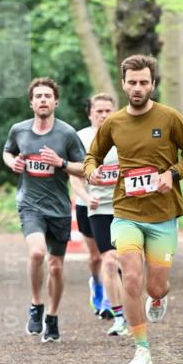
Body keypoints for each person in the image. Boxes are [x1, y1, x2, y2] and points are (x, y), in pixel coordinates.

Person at [84, 54, 183, 364]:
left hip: (163, 214)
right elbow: (92, 155)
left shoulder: (169, 118)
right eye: (132, 82)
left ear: (153, 84)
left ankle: (159, 297)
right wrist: (92, 170)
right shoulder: (114, 122)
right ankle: (141, 350)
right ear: (123, 84)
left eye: (143, 82)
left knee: (156, 286)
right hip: (125, 211)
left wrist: (172, 174)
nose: (137, 88)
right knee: (132, 277)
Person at [3, 77, 85, 343]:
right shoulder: (19, 130)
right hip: (30, 205)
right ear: (31, 103)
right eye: (38, 96)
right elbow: (7, 152)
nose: (43, 100)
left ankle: (52, 315)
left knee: (57, 267)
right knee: (37, 252)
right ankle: (36, 305)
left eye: (47, 96)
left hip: (59, 209)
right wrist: (12, 163)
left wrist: (60, 162)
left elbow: (84, 168)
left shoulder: (67, 134)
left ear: (55, 102)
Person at [71, 93, 127, 336]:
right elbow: (75, 175)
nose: (103, 115)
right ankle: (98, 287)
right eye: (99, 111)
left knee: (114, 258)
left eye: (108, 111)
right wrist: (85, 197)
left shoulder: (124, 134)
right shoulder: (81, 138)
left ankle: (115, 306)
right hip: (91, 206)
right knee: (96, 257)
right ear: (90, 113)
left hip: (121, 206)